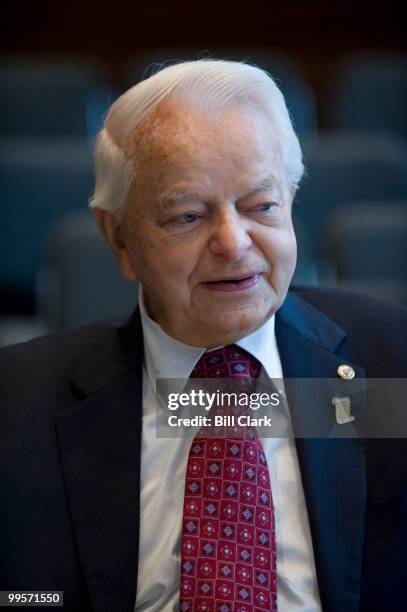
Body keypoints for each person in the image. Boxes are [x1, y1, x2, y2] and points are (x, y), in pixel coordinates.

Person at [1, 60, 406, 612]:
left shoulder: (392, 365)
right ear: (118, 238)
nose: (234, 243)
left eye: (262, 206)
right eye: (188, 216)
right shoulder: (17, 404)